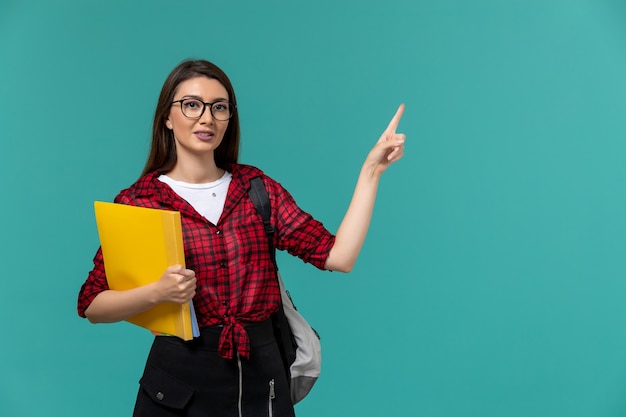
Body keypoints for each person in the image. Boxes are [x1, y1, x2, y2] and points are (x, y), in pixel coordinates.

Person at [77, 58, 406, 417]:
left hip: (261, 386)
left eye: (219, 107)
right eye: (191, 104)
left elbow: (338, 257)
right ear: (167, 118)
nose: (207, 118)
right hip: (176, 391)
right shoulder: (141, 202)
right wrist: (158, 293)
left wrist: (371, 172)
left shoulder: (256, 190)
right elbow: (92, 304)